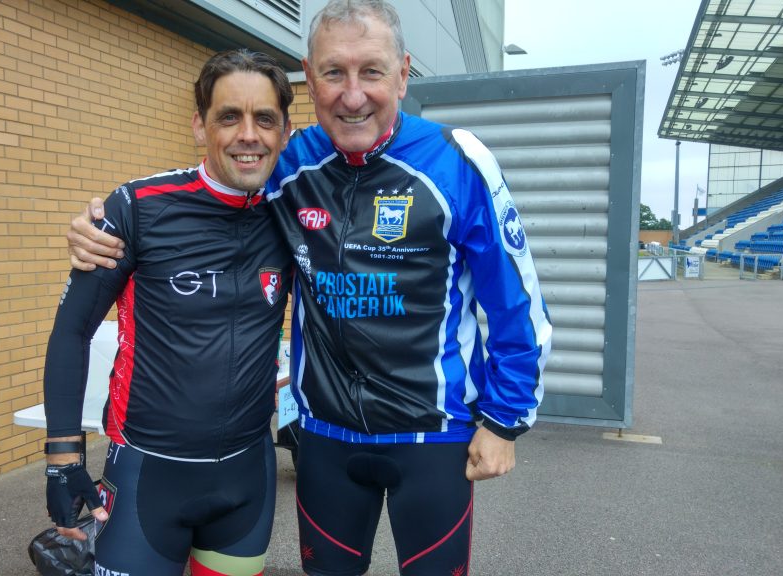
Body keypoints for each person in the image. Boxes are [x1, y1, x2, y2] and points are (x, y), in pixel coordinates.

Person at [67, 1, 552, 574]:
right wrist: (102, 227)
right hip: (324, 439)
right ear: (309, 76)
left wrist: (503, 420)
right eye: (333, 73)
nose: (352, 95)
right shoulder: (287, 164)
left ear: (403, 73)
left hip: (434, 439)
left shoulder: (458, 161)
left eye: (371, 71)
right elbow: (210, 190)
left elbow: (516, 303)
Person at [42, 49, 293, 576]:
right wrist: (63, 459)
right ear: (200, 126)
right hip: (147, 477)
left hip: (248, 479)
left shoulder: (295, 210)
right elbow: (72, 331)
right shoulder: (136, 207)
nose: (249, 134)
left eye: (264, 119)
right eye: (229, 116)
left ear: (284, 131)